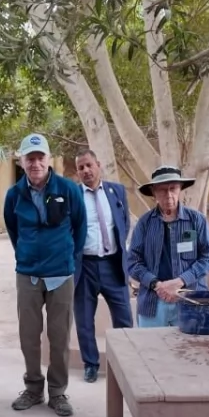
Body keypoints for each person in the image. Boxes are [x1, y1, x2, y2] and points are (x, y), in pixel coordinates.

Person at [3, 133, 86, 417]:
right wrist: (26, 255)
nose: (35, 163)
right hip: (28, 274)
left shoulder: (69, 189)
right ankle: (33, 388)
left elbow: (80, 227)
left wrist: (66, 258)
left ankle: (58, 392)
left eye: (40, 157)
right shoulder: (14, 194)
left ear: (48, 160)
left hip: (61, 273)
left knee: (60, 336)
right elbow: (13, 231)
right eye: (30, 158)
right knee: (29, 336)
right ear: (22, 161)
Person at [126, 165, 209, 327]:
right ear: (154, 193)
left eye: (173, 188)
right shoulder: (144, 223)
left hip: (189, 299)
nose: (168, 195)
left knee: (188, 351)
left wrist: (180, 281)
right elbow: (133, 262)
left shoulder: (197, 220)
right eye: (162, 190)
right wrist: (158, 285)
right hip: (153, 303)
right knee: (151, 350)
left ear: (180, 189)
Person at [72, 149, 133, 383]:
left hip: (112, 264)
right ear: (77, 172)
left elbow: (123, 224)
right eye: (81, 168)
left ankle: (125, 361)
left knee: (124, 317)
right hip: (85, 266)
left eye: (89, 165)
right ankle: (91, 364)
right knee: (85, 319)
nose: (86, 170)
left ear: (98, 165)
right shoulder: (74, 195)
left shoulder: (116, 191)